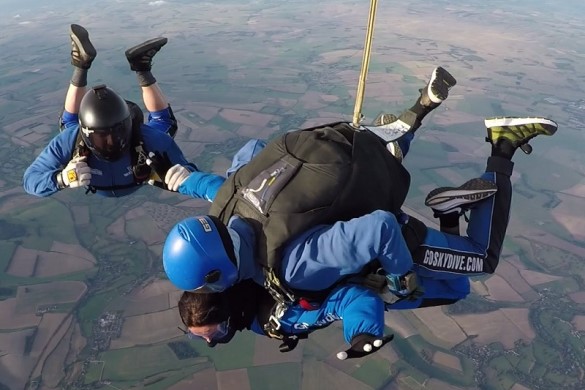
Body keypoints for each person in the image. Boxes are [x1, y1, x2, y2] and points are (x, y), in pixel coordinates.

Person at [175, 116, 558, 360]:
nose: (213, 341)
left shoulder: (279, 300)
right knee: (458, 289)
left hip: (390, 253)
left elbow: (353, 292)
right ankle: (448, 210)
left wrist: (384, 300)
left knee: (481, 260)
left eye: (217, 332)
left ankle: (502, 147)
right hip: (364, 233)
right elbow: (248, 159)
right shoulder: (232, 219)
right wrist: (178, 177)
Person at [162, 66, 460, 293]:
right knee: (383, 145)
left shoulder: (290, 266)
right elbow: (249, 152)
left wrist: (399, 277)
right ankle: (422, 104)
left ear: (217, 276)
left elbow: (381, 227)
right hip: (329, 137)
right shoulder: (227, 206)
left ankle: (500, 149)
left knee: (480, 264)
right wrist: (188, 180)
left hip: (363, 171)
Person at [23, 24, 196, 197]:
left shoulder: (72, 139)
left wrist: (186, 174)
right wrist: (61, 179)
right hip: (127, 150)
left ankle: (81, 65)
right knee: (164, 123)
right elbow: (31, 180)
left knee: (68, 124)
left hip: (91, 142)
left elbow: (33, 180)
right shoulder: (148, 139)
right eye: (101, 137)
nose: (111, 142)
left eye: (118, 133)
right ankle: (141, 69)